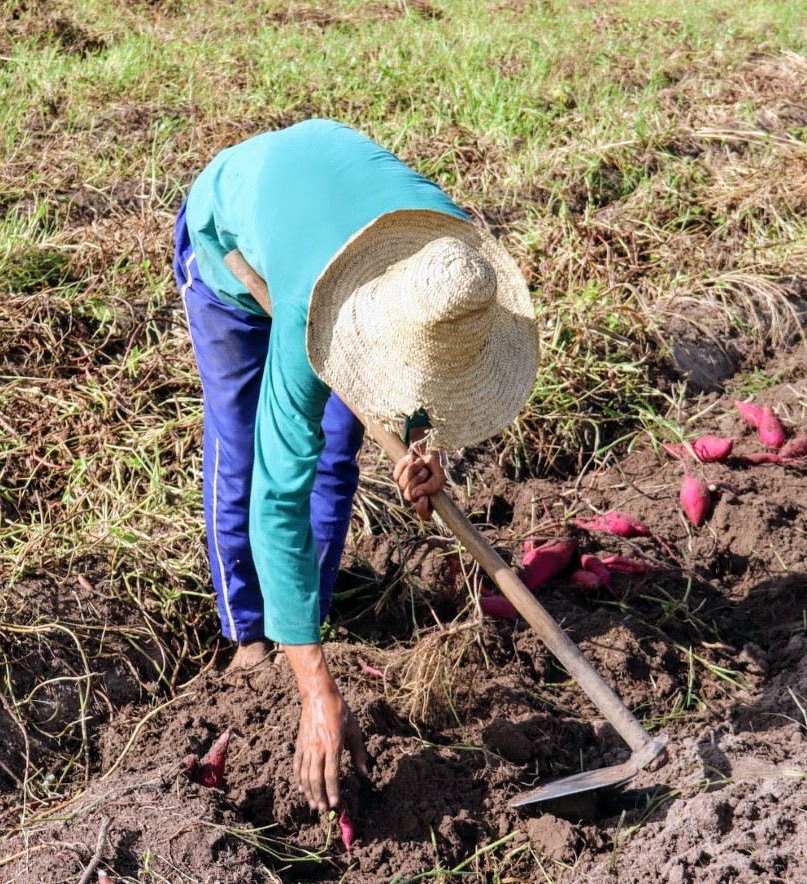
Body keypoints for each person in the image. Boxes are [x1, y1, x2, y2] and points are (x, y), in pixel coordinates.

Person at [172, 119, 538, 815]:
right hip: (233, 246)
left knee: (337, 456)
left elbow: (435, 358)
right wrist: (317, 692)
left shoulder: (452, 260)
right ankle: (252, 638)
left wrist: (421, 442)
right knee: (247, 450)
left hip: (331, 222)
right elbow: (278, 496)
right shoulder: (308, 305)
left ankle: (303, 613)